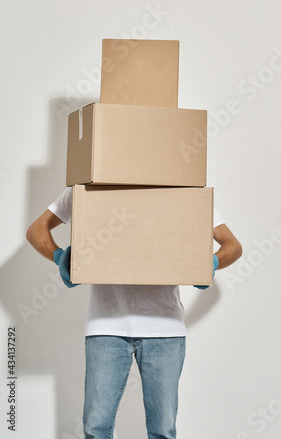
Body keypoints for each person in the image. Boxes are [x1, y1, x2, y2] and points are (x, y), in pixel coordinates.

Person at [26, 186, 243, 439]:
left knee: (162, 431)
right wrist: (59, 256)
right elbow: (36, 229)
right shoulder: (88, 187)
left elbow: (233, 245)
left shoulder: (184, 190)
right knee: (96, 429)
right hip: (106, 326)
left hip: (165, 329)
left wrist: (211, 262)